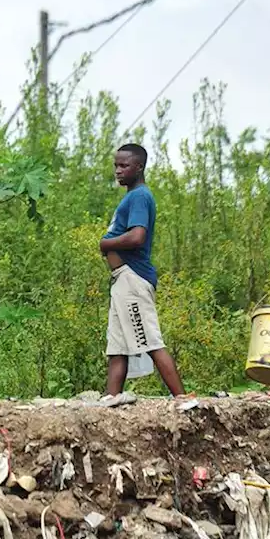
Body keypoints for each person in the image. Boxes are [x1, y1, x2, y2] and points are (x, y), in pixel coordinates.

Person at [99, 143, 186, 398]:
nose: (118, 170)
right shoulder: (131, 196)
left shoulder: (139, 196)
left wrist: (105, 244)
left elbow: (137, 236)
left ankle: (182, 399)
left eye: (124, 165)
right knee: (117, 347)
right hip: (121, 281)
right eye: (116, 165)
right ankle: (110, 399)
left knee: (150, 340)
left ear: (139, 167)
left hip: (133, 278)